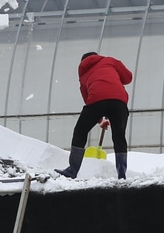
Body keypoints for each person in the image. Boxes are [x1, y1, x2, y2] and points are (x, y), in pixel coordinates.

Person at [56, 51, 132, 179]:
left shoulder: (83, 74)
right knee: (119, 136)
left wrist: (99, 119)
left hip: (96, 101)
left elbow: (88, 99)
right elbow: (128, 78)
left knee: (80, 132)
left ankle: (72, 170)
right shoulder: (110, 61)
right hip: (119, 102)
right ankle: (122, 174)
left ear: (82, 63)